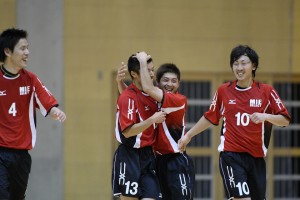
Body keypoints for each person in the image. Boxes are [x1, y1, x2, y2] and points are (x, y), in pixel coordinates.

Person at [178, 45, 291, 200]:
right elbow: (210, 117)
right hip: (231, 156)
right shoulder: (224, 91)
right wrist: (188, 135)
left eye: (244, 63)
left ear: (254, 66)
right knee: (241, 198)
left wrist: (265, 116)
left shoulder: (267, 91)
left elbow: (285, 120)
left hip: (256, 159)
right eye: (235, 63)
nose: (239, 67)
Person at [0, 28, 66, 199]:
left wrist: (54, 111)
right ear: (7, 51)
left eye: (27, 48)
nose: (27, 52)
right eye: (22, 48)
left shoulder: (30, 79)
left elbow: (47, 103)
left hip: (22, 156)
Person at [112, 54, 166, 200]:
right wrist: (152, 120)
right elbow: (128, 132)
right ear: (135, 74)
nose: (152, 74)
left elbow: (138, 98)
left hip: (148, 156)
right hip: (129, 155)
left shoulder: (153, 93)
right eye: (147, 70)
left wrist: (120, 83)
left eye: (152, 70)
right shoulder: (126, 98)